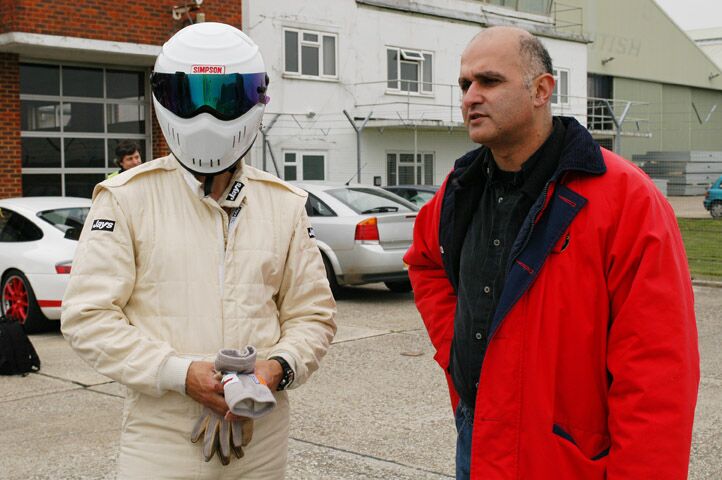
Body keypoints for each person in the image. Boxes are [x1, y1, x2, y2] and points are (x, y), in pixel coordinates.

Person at [404, 26, 699, 479]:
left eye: (489, 81)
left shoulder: (627, 199)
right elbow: (424, 261)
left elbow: (657, 374)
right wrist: (459, 350)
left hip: (568, 456)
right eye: (465, 84)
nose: (470, 97)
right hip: (479, 437)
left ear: (542, 89)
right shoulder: (459, 189)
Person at [61, 22, 336, 479]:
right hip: (162, 433)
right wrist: (179, 373)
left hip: (260, 430)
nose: (207, 113)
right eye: (192, 95)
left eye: (224, 95)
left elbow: (313, 315)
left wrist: (278, 368)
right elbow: (88, 316)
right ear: (165, 97)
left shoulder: (283, 203)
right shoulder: (127, 198)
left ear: (254, 100)